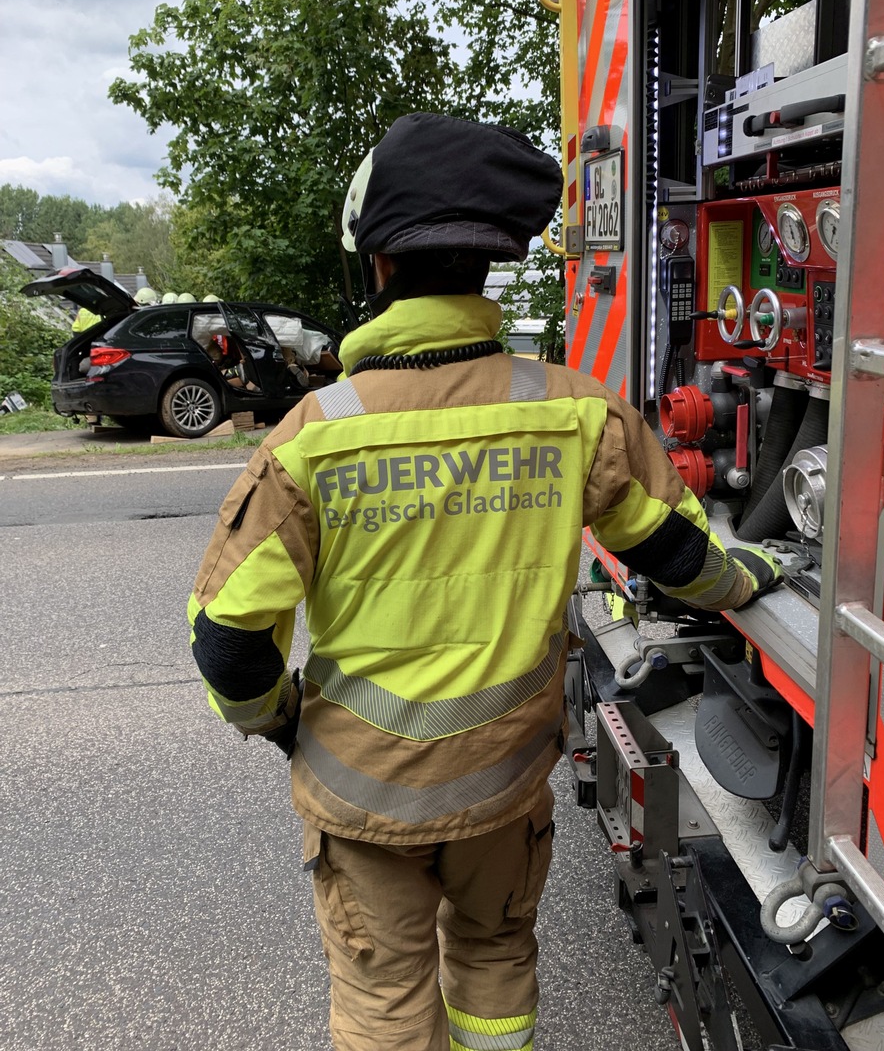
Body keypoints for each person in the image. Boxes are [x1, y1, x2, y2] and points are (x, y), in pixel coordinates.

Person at [188, 113, 781, 1051]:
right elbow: (678, 558)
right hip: (504, 785)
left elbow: (227, 641)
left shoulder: (312, 434)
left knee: (385, 1006)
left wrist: (278, 717)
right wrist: (750, 578)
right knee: (496, 961)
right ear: (492, 263)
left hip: (363, 792)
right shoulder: (576, 411)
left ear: (378, 265)